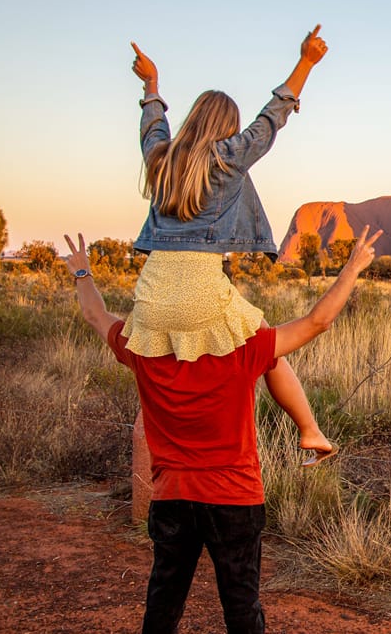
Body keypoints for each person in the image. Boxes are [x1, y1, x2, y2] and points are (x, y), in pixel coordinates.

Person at [65, 226, 382, 634]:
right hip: (234, 498)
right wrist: (353, 267)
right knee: (241, 608)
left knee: (163, 604)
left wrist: (82, 273)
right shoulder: (243, 349)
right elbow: (317, 322)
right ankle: (311, 430)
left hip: (172, 498)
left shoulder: (137, 349)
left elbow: (94, 314)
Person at [128, 26, 333, 464]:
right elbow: (272, 117)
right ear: (226, 128)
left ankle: (175, 454)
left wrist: (151, 85)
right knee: (268, 352)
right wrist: (307, 63)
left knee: (174, 371)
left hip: (150, 292)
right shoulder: (229, 156)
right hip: (200, 285)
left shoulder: (160, 159)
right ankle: (310, 431)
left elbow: (152, 128)